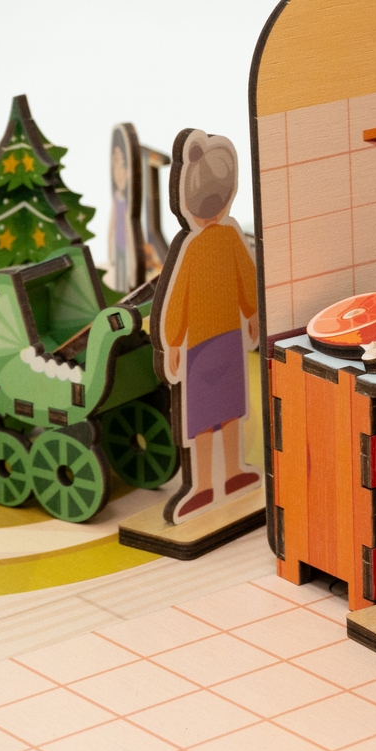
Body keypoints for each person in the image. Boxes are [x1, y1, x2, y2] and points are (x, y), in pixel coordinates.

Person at [158, 130, 260, 522]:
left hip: (229, 340)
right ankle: (201, 484)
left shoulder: (231, 236)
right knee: (201, 419)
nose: (212, 212)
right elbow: (177, 297)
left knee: (231, 409)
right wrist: (172, 342)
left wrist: (252, 314)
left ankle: (232, 473)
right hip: (199, 348)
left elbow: (245, 276)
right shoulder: (190, 246)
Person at [107, 124, 142, 293]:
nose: (120, 173)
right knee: (120, 276)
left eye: (123, 166)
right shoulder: (117, 198)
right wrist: (110, 247)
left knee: (128, 277)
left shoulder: (128, 202)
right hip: (119, 245)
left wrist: (135, 257)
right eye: (116, 166)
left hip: (127, 245)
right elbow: (113, 221)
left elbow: (130, 223)